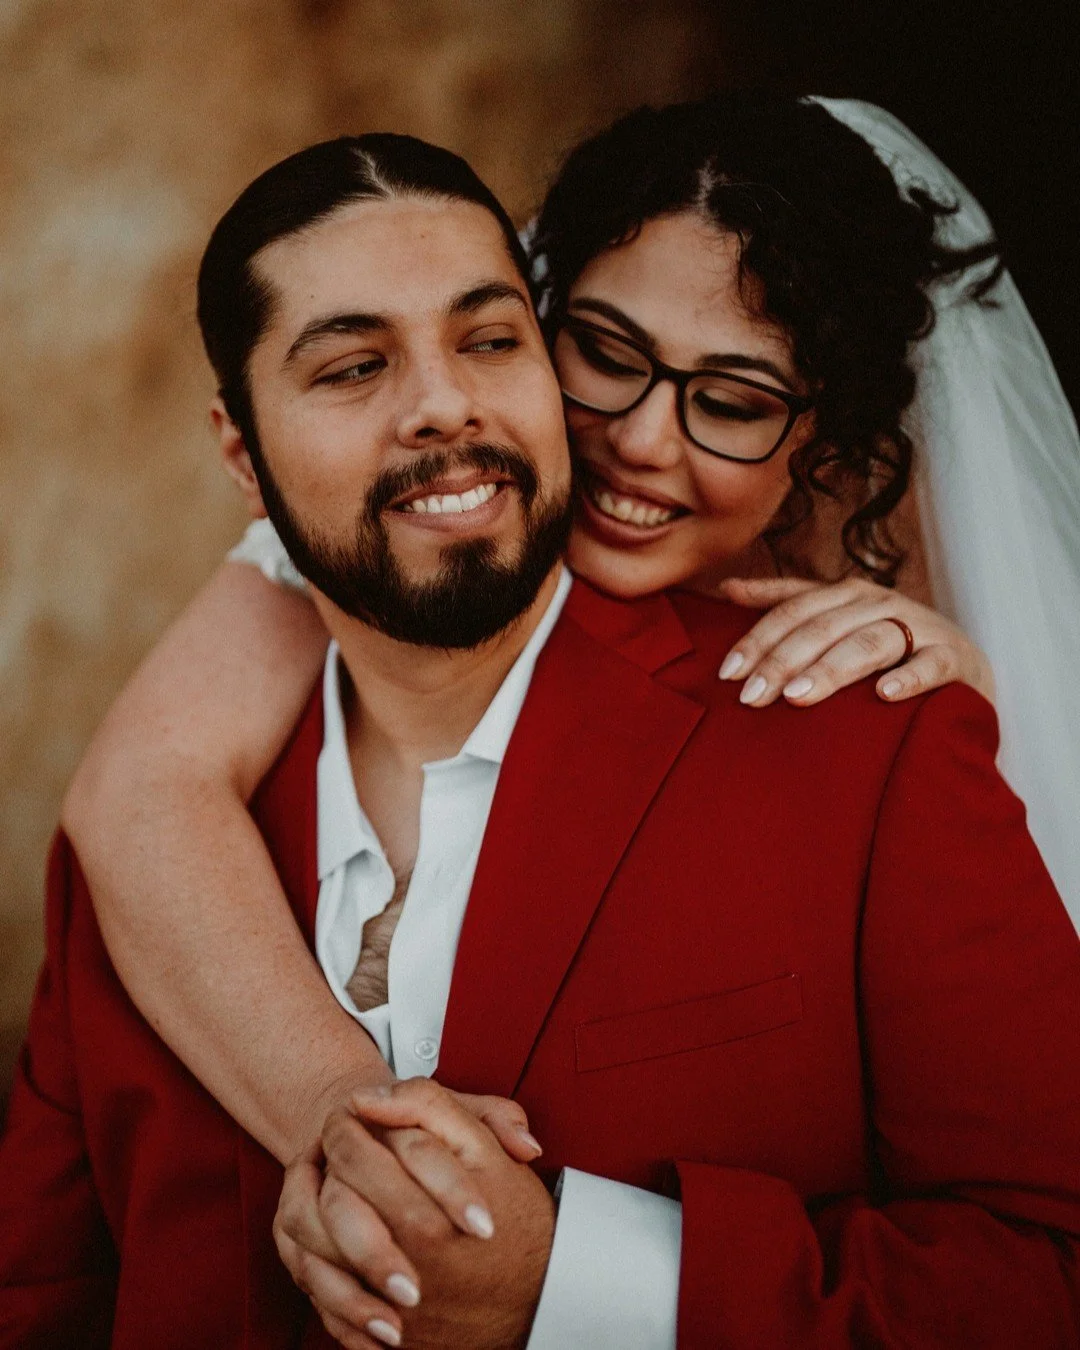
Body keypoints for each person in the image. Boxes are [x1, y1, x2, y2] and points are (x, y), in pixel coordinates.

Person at [2, 103, 1079, 1349]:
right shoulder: (162, 828)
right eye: (606, 354)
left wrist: (581, 1281)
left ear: (825, 448)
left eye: (732, 399)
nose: (635, 441)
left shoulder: (872, 738)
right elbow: (49, 1289)